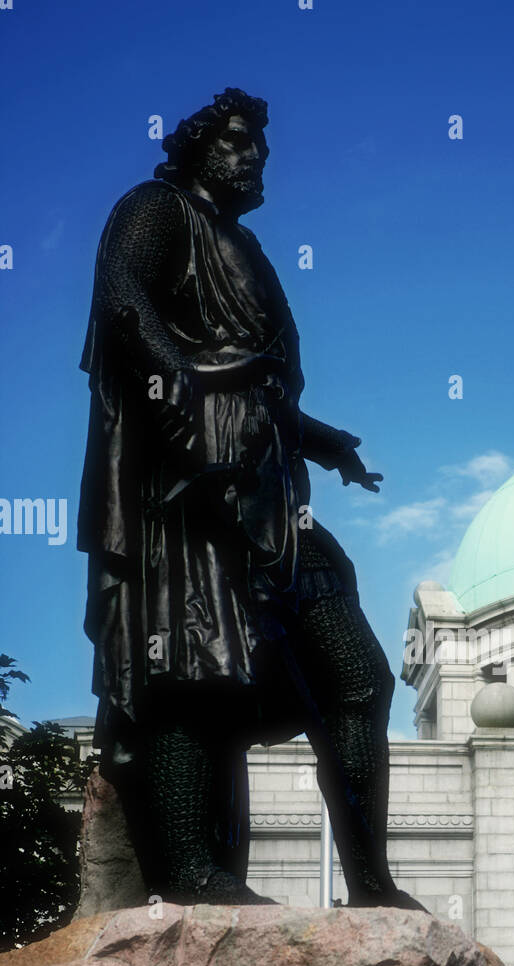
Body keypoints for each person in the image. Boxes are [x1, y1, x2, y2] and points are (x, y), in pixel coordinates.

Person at [77, 88, 423, 910]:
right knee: (191, 666)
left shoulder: (248, 246)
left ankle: (370, 882)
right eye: (238, 144)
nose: (256, 157)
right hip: (187, 486)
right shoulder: (156, 208)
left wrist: (319, 439)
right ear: (198, 149)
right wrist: (183, 407)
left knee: (358, 677)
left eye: (260, 147)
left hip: (271, 489)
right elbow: (123, 301)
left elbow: (259, 383)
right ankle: (193, 874)